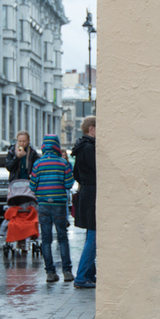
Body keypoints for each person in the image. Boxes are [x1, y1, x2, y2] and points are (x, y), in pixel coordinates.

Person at [30, 134, 74, 283]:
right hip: (59, 205)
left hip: (43, 205)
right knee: (62, 238)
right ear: (56, 146)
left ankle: (50, 273)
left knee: (46, 240)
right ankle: (67, 272)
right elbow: (69, 184)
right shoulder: (63, 163)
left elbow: (32, 185)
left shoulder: (37, 164)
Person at [71, 116, 96, 289]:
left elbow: (76, 174)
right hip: (92, 193)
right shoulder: (89, 148)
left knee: (91, 235)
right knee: (93, 236)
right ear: (92, 129)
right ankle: (81, 277)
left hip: (86, 192)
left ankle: (88, 274)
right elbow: (98, 170)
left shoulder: (81, 147)